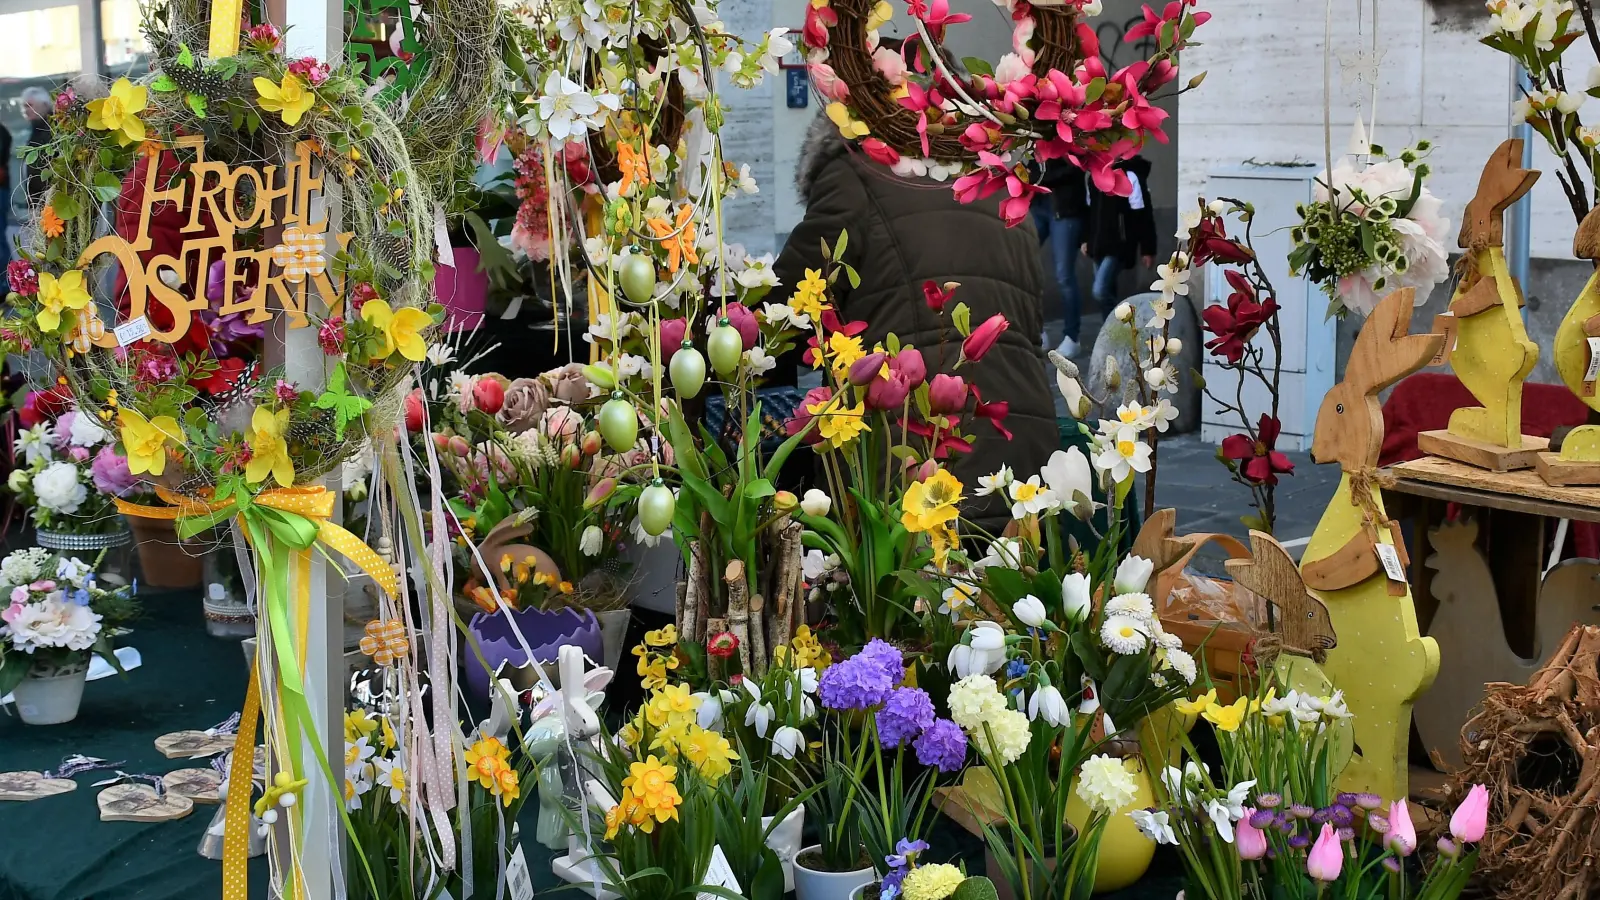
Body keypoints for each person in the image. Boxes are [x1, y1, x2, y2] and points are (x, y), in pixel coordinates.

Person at [770, 110, 1058, 534]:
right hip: (1024, 458)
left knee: (906, 592)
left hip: (908, 456)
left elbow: (784, 314)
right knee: (1006, 592)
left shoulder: (855, 174)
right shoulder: (998, 184)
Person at [1082, 154, 1157, 315]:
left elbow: (1143, 216)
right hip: (1098, 244)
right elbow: (1090, 212)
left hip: (1120, 245)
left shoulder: (1130, 177)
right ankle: (1111, 334)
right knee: (1108, 291)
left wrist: (1148, 249)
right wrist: (1086, 239)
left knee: (1100, 291)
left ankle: (1121, 323)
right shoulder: (1093, 177)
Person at [1030, 159, 1087, 357]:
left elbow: (1076, 167)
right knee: (1024, 266)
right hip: (1038, 204)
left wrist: (1039, 180)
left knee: (1064, 276)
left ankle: (1072, 337)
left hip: (1064, 209)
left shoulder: (1071, 136)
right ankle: (1037, 329)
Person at [22, 87, 53, 206]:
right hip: (37, 200)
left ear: (45, 105)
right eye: (24, 106)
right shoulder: (36, 128)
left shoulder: (54, 128)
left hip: (49, 201)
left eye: (30, 105)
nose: (26, 110)